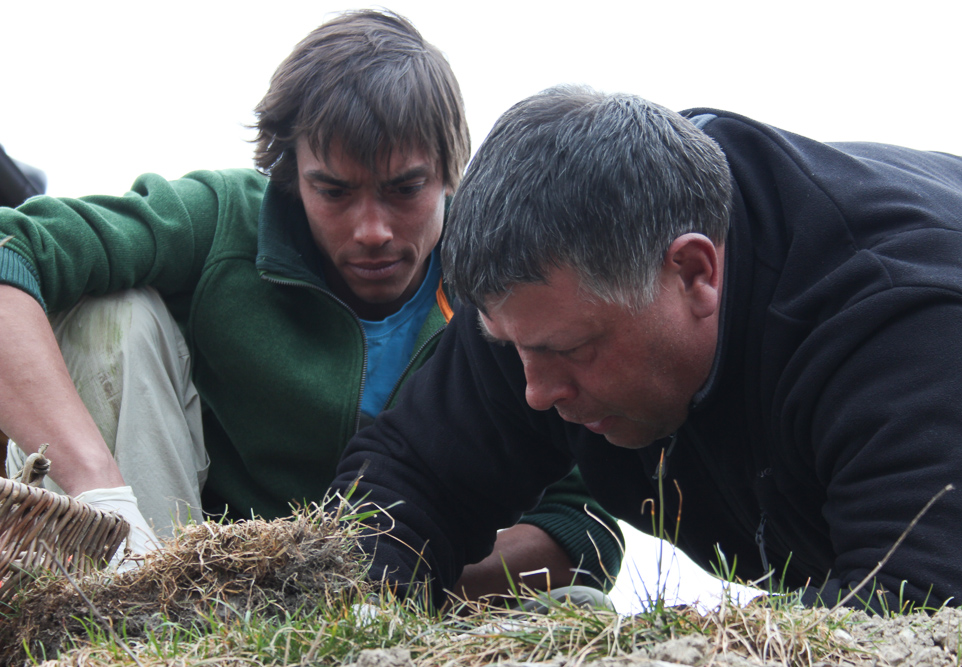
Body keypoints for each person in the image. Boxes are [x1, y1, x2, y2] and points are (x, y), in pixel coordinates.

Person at [0, 17, 622, 598]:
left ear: (451, 171)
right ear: (289, 173)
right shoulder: (218, 220)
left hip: (408, 597)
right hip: (190, 573)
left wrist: (365, 583)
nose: (373, 228)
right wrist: (98, 487)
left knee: (580, 604)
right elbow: (10, 248)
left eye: (405, 188)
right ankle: (138, 600)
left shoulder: (515, 281)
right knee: (115, 312)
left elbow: (581, 524)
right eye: (334, 191)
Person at [331, 84, 962, 612]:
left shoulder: (895, 324)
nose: (535, 392)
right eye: (514, 349)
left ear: (693, 273)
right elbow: (408, 476)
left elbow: (930, 609)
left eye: (573, 350)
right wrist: (351, 615)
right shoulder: (550, 298)